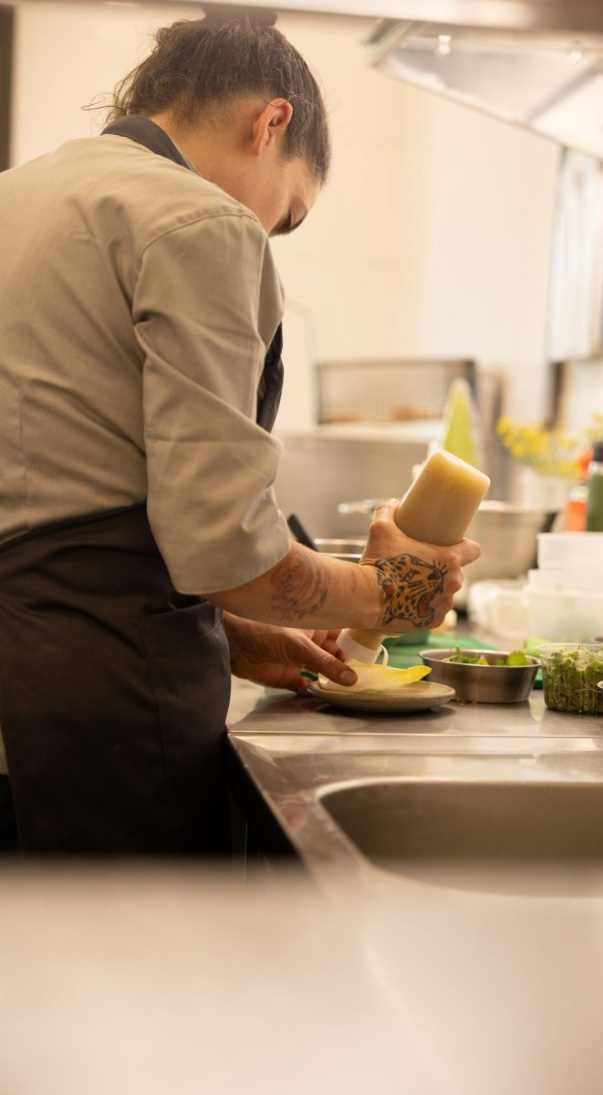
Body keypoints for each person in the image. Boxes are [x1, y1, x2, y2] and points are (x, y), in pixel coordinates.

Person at [0, 14, 479, 856]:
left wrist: (247, 640)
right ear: (271, 123)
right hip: (103, 698)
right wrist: (393, 590)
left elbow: (67, 486)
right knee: (147, 977)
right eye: (285, 215)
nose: (265, 234)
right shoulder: (200, 221)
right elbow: (224, 546)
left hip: (29, 687)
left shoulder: (17, 194)